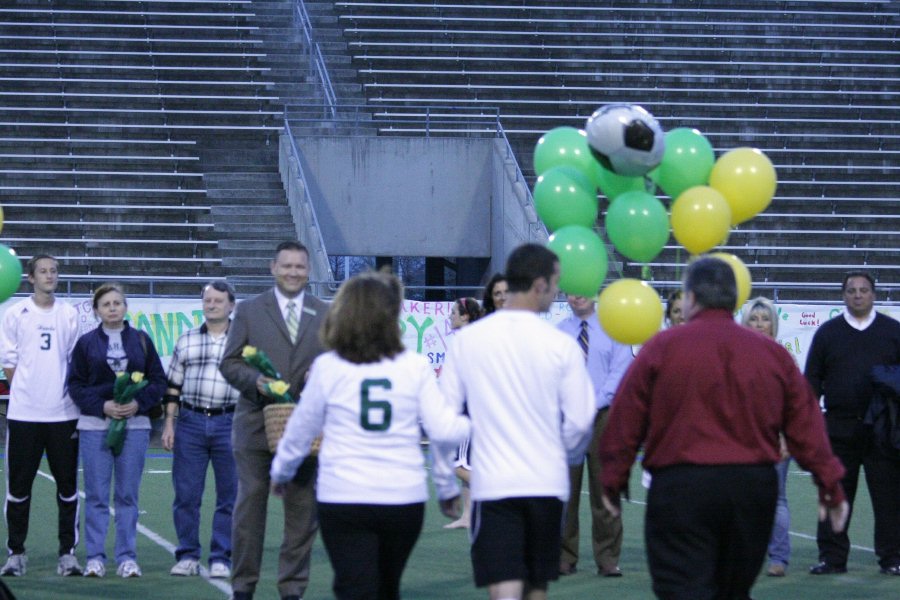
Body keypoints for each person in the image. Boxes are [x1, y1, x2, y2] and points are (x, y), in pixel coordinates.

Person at [599, 257, 848, 600]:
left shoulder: (661, 348)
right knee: (732, 591)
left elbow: (625, 418)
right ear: (735, 300)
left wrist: (613, 479)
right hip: (750, 488)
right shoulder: (771, 354)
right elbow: (806, 422)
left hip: (680, 487)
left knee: (683, 589)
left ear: (690, 299)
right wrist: (829, 484)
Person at [270, 271, 471, 599]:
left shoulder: (329, 366)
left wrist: (281, 471)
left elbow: (299, 431)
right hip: (402, 496)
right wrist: (449, 483)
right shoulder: (414, 365)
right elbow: (443, 430)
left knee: (353, 586)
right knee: (386, 587)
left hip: (344, 494)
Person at [440, 243, 596, 600]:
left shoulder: (469, 340)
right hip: (545, 482)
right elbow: (581, 418)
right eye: (556, 283)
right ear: (540, 284)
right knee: (535, 586)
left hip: (493, 482)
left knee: (505, 588)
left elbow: (444, 414)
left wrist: (447, 472)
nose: (557, 291)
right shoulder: (561, 344)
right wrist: (562, 455)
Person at [220, 240, 329, 600]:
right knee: (249, 509)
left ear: (308, 271)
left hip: (305, 431)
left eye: (299, 267)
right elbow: (230, 363)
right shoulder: (250, 311)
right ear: (273, 268)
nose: (293, 273)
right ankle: (243, 587)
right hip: (254, 426)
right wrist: (257, 382)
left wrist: (324, 372)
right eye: (287, 266)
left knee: (302, 515)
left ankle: (292, 590)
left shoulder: (325, 313)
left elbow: (340, 363)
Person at [67, 283, 166, 578]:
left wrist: (138, 403)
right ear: (97, 310)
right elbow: (75, 385)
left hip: (135, 427)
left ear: (125, 307)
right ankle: (95, 557)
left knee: (127, 495)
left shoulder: (142, 340)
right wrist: (103, 406)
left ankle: (126, 557)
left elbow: (158, 381)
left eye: (117, 303)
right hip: (95, 427)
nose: (112, 308)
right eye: (106, 304)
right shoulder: (86, 343)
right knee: (96, 495)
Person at [805, 270, 900, 576]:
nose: (858, 295)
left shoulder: (893, 332)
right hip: (838, 429)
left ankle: (892, 558)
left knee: (889, 500)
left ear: (874, 295)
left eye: (863, 290)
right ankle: (832, 559)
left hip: (882, 431)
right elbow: (812, 382)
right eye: (851, 290)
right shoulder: (827, 334)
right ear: (843, 296)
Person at [0, 255, 82, 577]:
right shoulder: (15, 313)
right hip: (25, 416)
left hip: (63, 416)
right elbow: (9, 363)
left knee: (68, 488)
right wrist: (29, 393)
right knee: (18, 489)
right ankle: (16, 554)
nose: (49, 275)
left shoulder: (69, 314)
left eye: (54, 271)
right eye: (43, 271)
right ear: (31, 278)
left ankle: (67, 554)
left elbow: (76, 363)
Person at [162, 281, 241, 579]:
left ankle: (221, 557)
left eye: (218, 301)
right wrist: (169, 423)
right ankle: (188, 555)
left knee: (229, 496)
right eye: (207, 300)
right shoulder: (186, 340)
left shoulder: (244, 343)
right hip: (191, 424)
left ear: (231, 305)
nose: (211, 305)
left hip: (230, 423)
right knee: (186, 495)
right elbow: (173, 387)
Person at [557, 293, 632, 577]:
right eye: (570, 291)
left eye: (582, 289)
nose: (576, 296)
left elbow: (619, 371)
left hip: (605, 417)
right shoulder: (560, 332)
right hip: (567, 417)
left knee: (606, 491)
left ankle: (608, 558)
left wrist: (594, 402)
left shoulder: (614, 328)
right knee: (565, 492)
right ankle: (564, 556)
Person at [742, 296, 791, 577]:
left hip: (774, 438)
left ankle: (779, 557)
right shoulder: (732, 354)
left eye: (765, 319)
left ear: (773, 324)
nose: (760, 324)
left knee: (777, 499)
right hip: (739, 439)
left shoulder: (783, 357)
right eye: (754, 319)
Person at [443, 297, 484, 530]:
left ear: (465, 316)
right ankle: (468, 516)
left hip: (468, 412)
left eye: (454, 313)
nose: (450, 317)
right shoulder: (467, 339)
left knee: (455, 464)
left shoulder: (469, 341)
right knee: (464, 465)